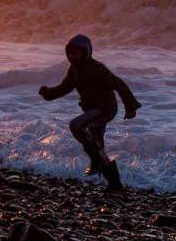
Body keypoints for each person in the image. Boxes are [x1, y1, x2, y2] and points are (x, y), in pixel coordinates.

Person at [38, 34, 140, 192]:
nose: (72, 56)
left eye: (76, 53)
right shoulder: (74, 70)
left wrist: (130, 106)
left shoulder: (97, 68)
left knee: (76, 125)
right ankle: (115, 185)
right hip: (93, 111)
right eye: (69, 53)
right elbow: (64, 88)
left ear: (86, 52)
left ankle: (95, 159)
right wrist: (49, 93)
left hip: (105, 109)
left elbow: (119, 84)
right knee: (98, 147)